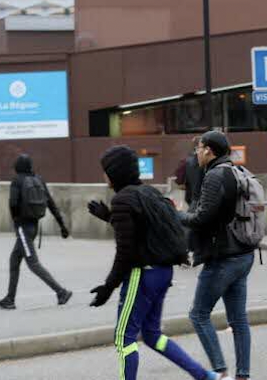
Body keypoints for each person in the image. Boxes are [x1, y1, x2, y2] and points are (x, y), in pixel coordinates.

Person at [86, 146, 222, 380]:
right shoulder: (148, 193)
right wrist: (110, 217)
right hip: (162, 272)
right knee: (151, 335)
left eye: (106, 171)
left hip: (142, 275)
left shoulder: (122, 200)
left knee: (123, 338)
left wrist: (108, 288)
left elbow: (125, 254)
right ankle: (206, 376)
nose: (104, 176)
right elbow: (142, 232)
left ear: (115, 172)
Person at [178, 131, 257, 378]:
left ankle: (219, 371)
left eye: (199, 148)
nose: (197, 153)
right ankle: (242, 375)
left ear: (209, 150)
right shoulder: (236, 171)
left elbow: (202, 217)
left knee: (198, 314)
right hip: (244, 253)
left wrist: (178, 215)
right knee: (238, 320)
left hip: (224, 257)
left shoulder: (214, 175)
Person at [0, 154, 72, 310]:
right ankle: (10, 298)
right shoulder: (38, 179)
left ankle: (61, 292)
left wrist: (16, 222)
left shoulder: (17, 181)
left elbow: (13, 203)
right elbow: (51, 203)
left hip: (23, 228)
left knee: (33, 263)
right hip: (34, 227)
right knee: (14, 260)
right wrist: (62, 225)